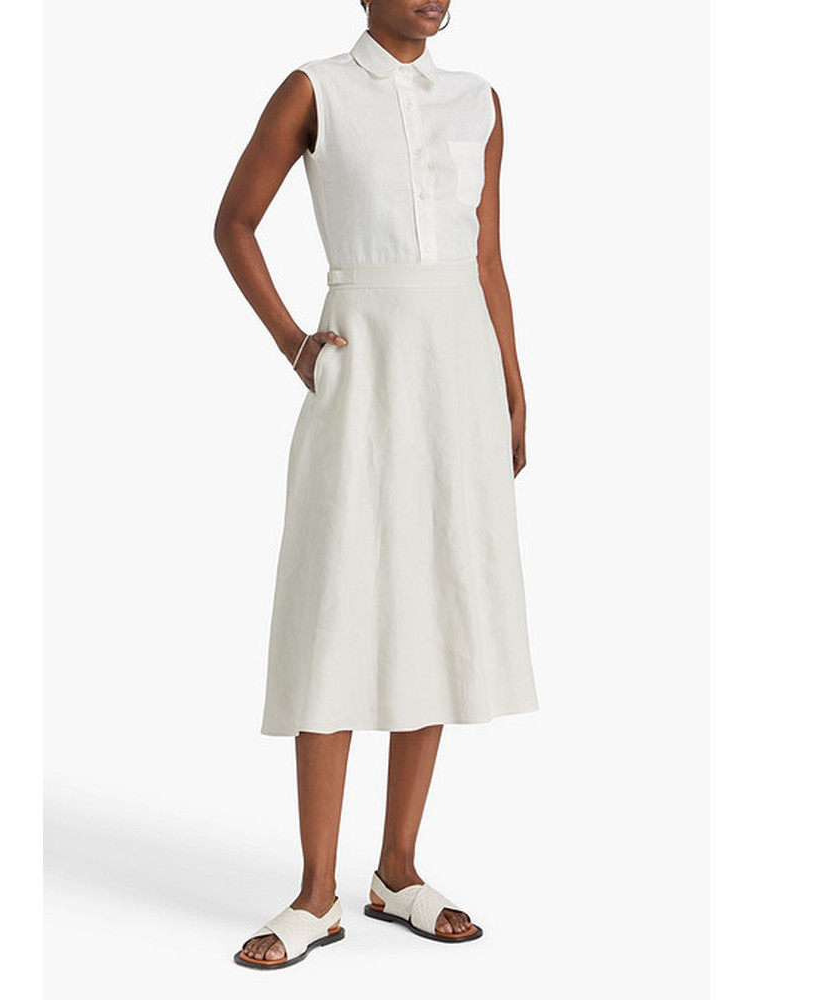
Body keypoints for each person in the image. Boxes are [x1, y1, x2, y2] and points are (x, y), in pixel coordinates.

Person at [214, 0, 537, 969]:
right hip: (361, 370)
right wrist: (294, 344)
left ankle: (397, 870)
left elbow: (486, 256)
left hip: (459, 374)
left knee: (433, 602)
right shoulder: (314, 91)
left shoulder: (477, 101)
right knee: (335, 604)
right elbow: (234, 223)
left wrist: (514, 387)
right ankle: (316, 893)